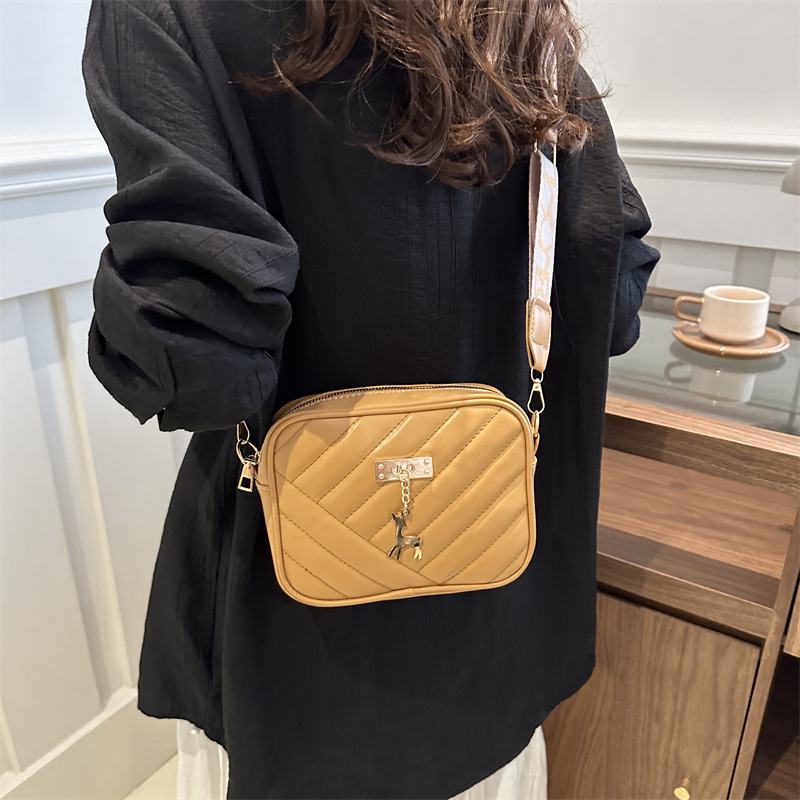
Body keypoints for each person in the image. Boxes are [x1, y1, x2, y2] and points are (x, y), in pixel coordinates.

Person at [81, 1, 659, 798]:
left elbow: (201, 369)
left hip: (289, 635)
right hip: (495, 613)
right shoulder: (527, 34)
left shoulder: (167, 12)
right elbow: (612, 308)